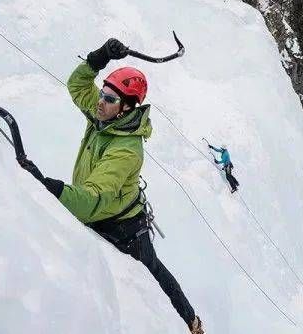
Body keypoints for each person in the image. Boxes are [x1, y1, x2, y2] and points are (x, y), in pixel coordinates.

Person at [16, 38, 205, 334]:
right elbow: (77, 87)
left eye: (109, 99)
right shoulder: (105, 116)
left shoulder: (126, 150)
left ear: (127, 107)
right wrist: (98, 58)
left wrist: (48, 187)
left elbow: (91, 200)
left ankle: (192, 323)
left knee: (155, 277)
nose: (100, 102)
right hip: (105, 214)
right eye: (103, 94)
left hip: (124, 230)